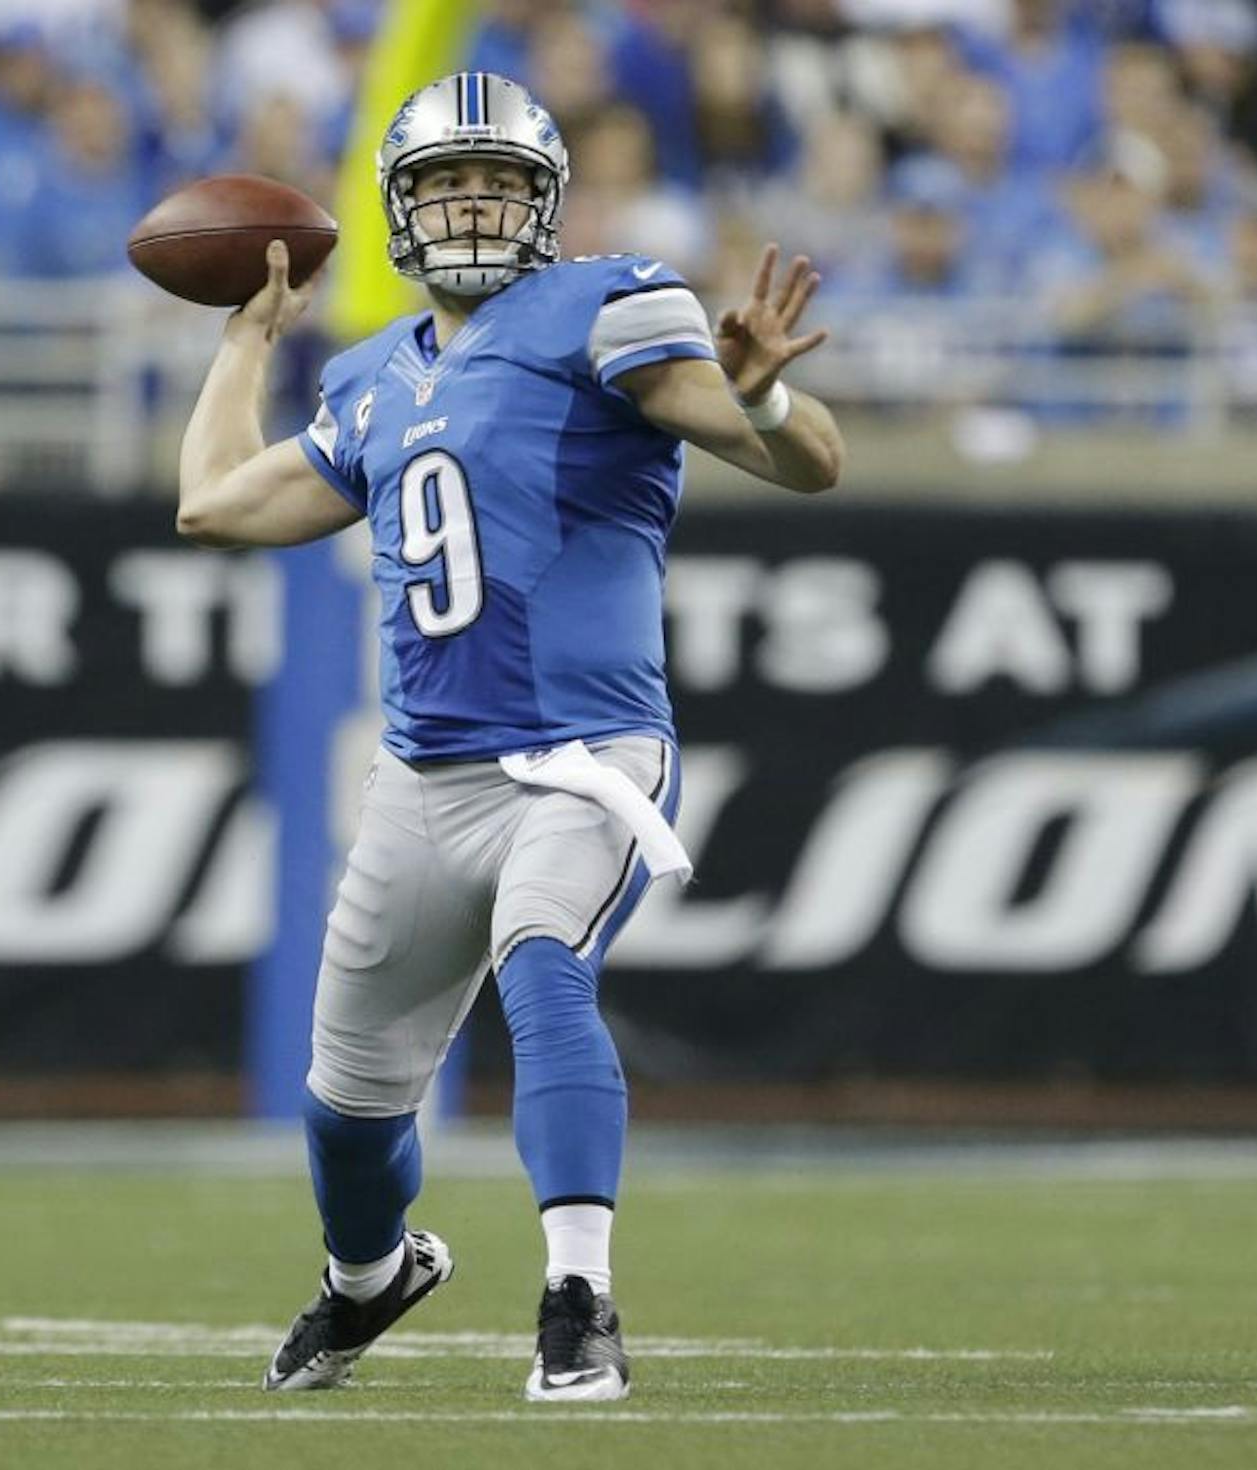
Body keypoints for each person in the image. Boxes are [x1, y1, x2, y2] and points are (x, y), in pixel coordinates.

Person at [172, 71, 843, 1404]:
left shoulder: (607, 302)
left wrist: (758, 400)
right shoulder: (370, 379)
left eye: (497, 182)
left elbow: (807, 456)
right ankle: (372, 1277)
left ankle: (578, 1298)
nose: (471, 204)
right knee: (347, 1105)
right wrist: (245, 338)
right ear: (397, 210)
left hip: (585, 753)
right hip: (426, 775)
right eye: (443, 183)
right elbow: (211, 505)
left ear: (544, 204)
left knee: (544, 964)